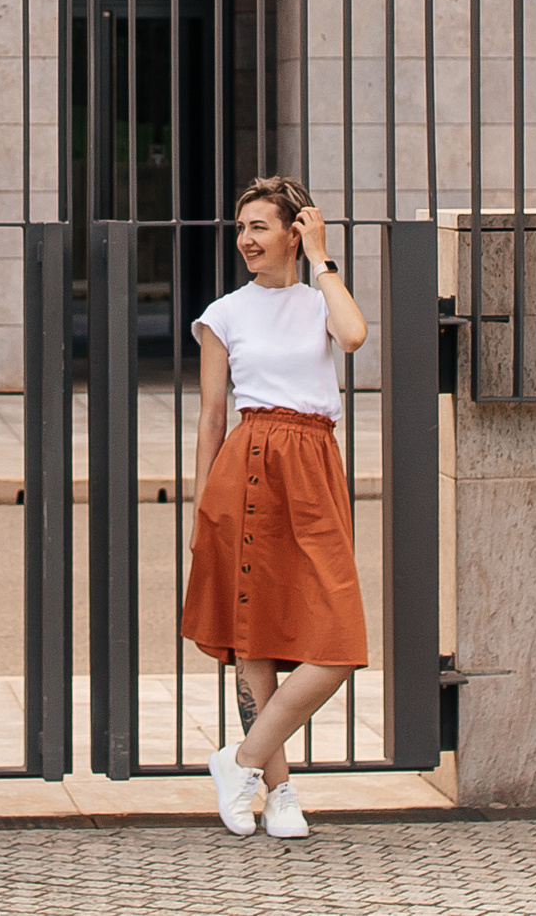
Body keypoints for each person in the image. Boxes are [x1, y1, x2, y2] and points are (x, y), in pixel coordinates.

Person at [180, 175, 369, 839]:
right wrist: (204, 506)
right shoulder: (224, 311)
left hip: (313, 463)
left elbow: (353, 336)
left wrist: (323, 259)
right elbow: (209, 417)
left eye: (259, 225)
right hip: (248, 461)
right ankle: (278, 789)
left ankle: (242, 761)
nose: (245, 239)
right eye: (240, 227)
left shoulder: (323, 297)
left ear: (295, 229)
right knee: (252, 635)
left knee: (338, 641)